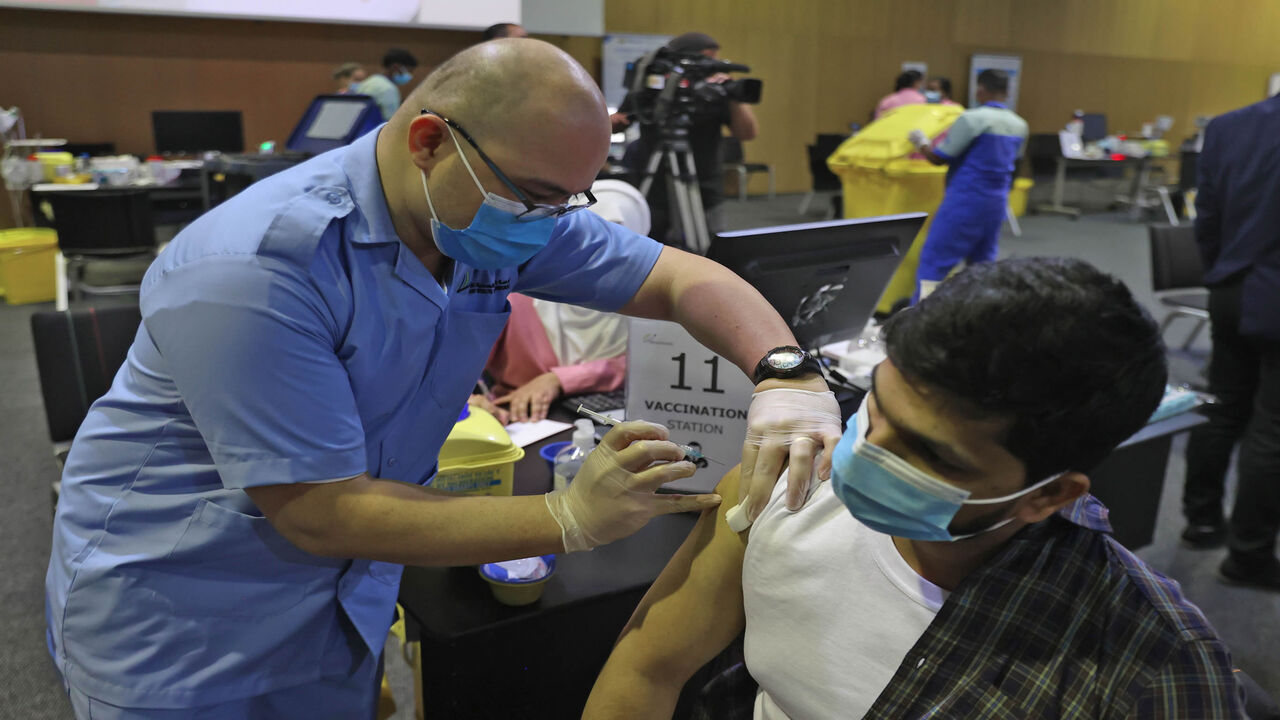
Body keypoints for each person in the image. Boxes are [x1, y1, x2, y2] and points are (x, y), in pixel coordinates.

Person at [45, 39, 841, 718]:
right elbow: (321, 511)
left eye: (572, 200)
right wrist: (568, 517)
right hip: (180, 616)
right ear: (428, 140)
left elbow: (677, 278)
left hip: (340, 595)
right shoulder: (255, 267)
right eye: (537, 197)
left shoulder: (490, 211)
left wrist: (785, 374)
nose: (551, 223)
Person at [584, 257, 1245, 720]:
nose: (861, 458)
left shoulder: (1149, 665)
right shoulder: (781, 489)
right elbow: (648, 665)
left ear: (1050, 495)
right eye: (875, 410)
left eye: (929, 455)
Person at [1180, 91, 1280, 589]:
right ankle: (1249, 557)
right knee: (1272, 431)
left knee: (1222, 407)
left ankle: (1200, 521)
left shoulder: (1228, 125)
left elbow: (1208, 216)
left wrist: (1221, 272)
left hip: (1231, 286)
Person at [471, 180, 648, 424]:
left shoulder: (641, 305)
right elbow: (461, 361)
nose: (600, 261)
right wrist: (472, 401)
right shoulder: (519, 292)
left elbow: (641, 366)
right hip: (521, 423)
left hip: (609, 423)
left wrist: (558, 380)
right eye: (592, 245)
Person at [612, 31, 758, 248]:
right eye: (706, 59)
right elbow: (618, 123)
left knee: (710, 253)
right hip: (653, 185)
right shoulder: (651, 88)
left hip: (704, 186)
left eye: (714, 59)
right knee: (647, 249)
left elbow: (747, 133)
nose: (712, 65)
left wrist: (732, 95)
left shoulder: (715, 92)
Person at [906, 68, 1027, 301]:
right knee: (982, 268)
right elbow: (1015, 166)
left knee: (934, 264)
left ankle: (919, 323)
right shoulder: (1020, 125)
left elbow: (939, 157)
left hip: (965, 201)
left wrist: (921, 143)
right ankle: (978, 319)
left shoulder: (972, 119)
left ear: (980, 90)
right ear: (1007, 92)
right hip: (996, 203)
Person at [355, 47, 419, 121]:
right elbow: (390, 121)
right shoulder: (388, 89)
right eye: (409, 71)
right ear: (396, 67)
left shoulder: (369, 81)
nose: (409, 76)